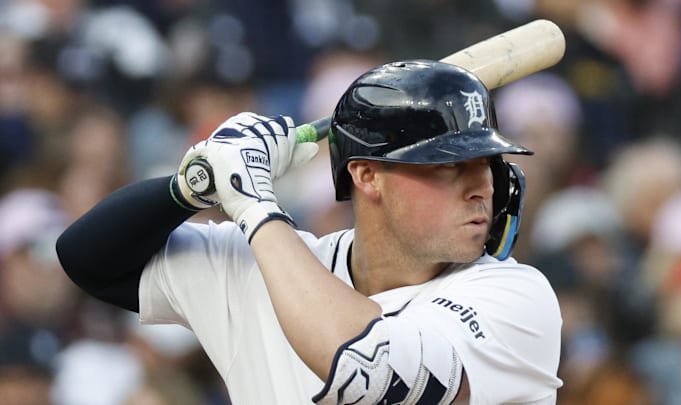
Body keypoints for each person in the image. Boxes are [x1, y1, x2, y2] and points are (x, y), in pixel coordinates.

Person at [56, 60, 563, 404]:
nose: (482, 188)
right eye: (449, 167)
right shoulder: (264, 266)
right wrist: (195, 185)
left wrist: (253, 205)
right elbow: (87, 258)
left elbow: (371, 369)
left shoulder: (515, 298)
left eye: (487, 164)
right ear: (367, 176)